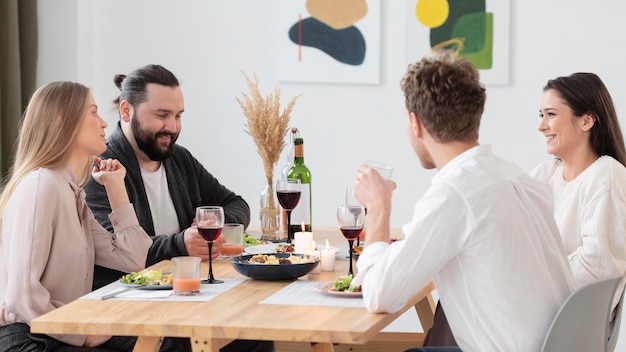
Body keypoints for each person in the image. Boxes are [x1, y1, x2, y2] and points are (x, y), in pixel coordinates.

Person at [351, 50, 575, 351]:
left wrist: (379, 207)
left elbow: (379, 295)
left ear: (416, 124)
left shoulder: (455, 193)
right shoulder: (519, 178)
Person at [84, 65, 273, 352]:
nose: (172, 127)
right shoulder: (101, 169)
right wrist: (181, 243)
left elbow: (236, 204)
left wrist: (211, 226)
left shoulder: (180, 160)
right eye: (161, 115)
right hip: (128, 301)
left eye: (178, 116)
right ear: (126, 112)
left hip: (187, 294)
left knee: (253, 336)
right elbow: (117, 248)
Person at [0, 81, 155, 350]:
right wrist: (79, 334)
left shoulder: (73, 194)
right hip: (29, 337)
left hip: (55, 329)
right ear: (63, 121)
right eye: (93, 112)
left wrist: (116, 186)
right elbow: (21, 294)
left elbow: (135, 259)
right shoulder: (41, 185)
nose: (105, 123)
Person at [531, 72, 626, 317]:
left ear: (586, 121)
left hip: (570, 323)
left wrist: (530, 281)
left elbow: (598, 266)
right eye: (541, 115)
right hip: (535, 312)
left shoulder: (607, 175)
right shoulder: (544, 175)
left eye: (551, 114)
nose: (541, 126)